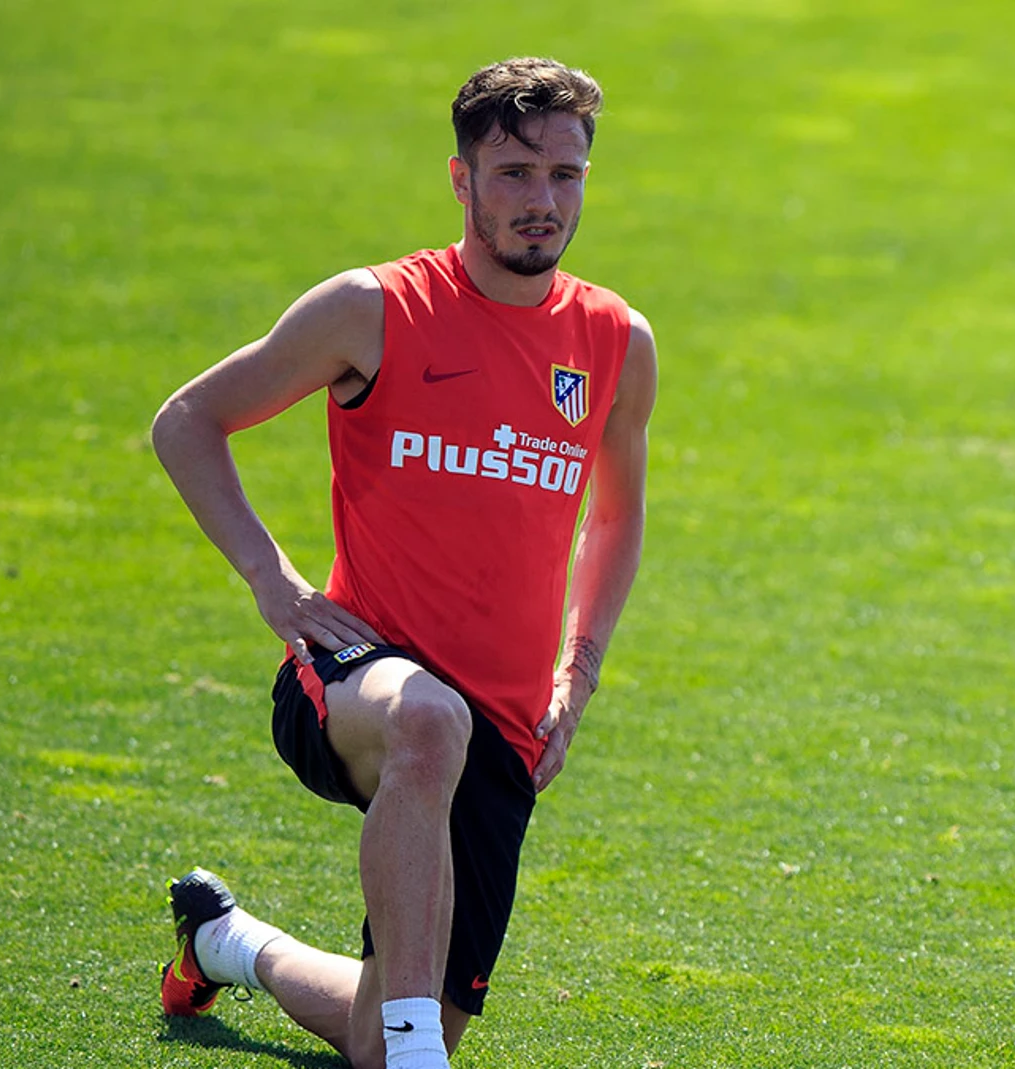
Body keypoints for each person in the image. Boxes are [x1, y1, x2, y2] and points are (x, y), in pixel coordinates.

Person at [149, 57, 656, 1069]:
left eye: (565, 175)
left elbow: (614, 518)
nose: (542, 201)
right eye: (513, 174)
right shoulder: (373, 310)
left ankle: (226, 941)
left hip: (508, 724)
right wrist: (272, 580)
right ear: (461, 180)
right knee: (430, 719)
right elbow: (190, 419)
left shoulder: (615, 341)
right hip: (355, 677)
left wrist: (579, 672)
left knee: (382, 1037)